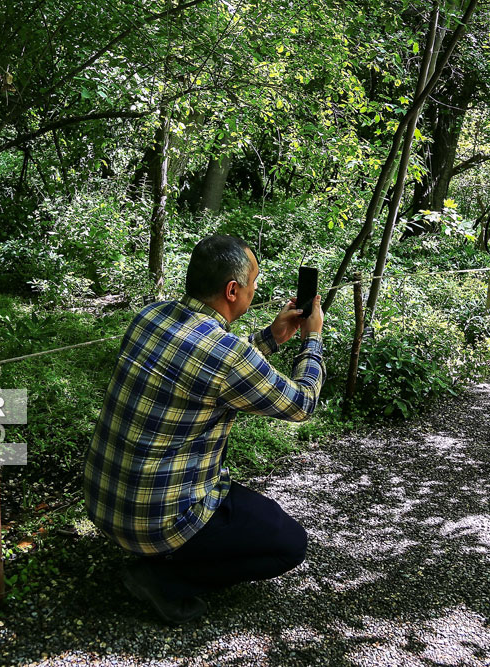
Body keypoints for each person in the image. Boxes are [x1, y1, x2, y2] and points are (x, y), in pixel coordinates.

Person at [83, 235, 325, 625]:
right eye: (253, 284)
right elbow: (300, 404)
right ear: (233, 290)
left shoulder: (151, 315)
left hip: (102, 504)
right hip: (157, 521)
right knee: (290, 545)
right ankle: (163, 577)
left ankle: (161, 557)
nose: (254, 290)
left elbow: (205, 362)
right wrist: (312, 338)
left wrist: (273, 336)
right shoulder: (228, 355)